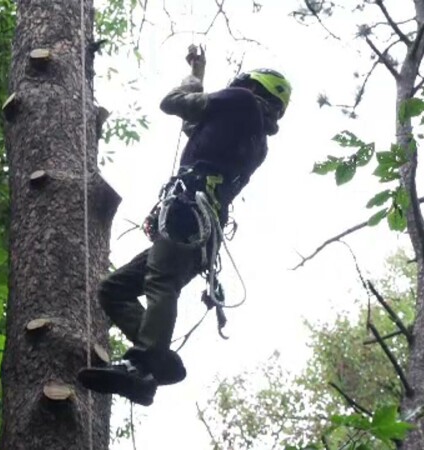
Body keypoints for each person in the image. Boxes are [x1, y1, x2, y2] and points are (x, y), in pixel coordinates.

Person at [78, 46, 291, 406]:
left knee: (160, 283)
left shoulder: (241, 101)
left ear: (252, 85)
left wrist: (192, 80)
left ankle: (144, 365)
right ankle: (155, 355)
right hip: (201, 230)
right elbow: (195, 122)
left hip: (187, 214)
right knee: (114, 289)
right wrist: (200, 72)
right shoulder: (254, 136)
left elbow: (174, 102)